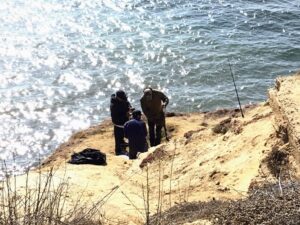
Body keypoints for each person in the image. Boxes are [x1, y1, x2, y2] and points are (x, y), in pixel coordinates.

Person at [110, 90, 132, 156]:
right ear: (118, 98)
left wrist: (130, 108)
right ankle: (118, 151)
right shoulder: (113, 106)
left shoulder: (123, 99)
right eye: (122, 98)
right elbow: (116, 117)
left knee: (122, 136)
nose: (124, 99)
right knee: (118, 138)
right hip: (118, 123)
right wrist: (126, 115)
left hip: (124, 122)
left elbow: (128, 103)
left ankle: (123, 143)